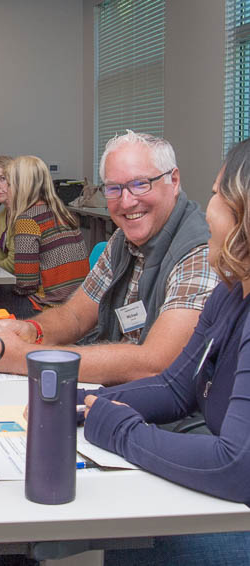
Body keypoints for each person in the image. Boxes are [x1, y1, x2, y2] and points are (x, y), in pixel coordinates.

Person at [81, 137, 250, 564]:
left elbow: (234, 466)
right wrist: (82, 404)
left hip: (238, 518)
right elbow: (176, 387)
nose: (207, 210)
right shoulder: (231, 294)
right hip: (231, 506)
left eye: (216, 196)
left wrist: (118, 429)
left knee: (122, 544)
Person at [0, 131, 219, 384]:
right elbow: (75, 315)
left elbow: (154, 364)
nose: (127, 202)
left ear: (174, 180)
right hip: (116, 389)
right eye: (114, 188)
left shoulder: (201, 253)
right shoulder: (122, 240)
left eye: (140, 184)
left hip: (162, 411)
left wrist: (22, 357)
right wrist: (34, 331)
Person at [0, 155, 89, 319]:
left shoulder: (28, 220)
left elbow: (26, 285)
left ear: (21, 187)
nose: (6, 190)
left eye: (9, 184)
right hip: (78, 305)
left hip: (50, 309)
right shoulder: (63, 214)